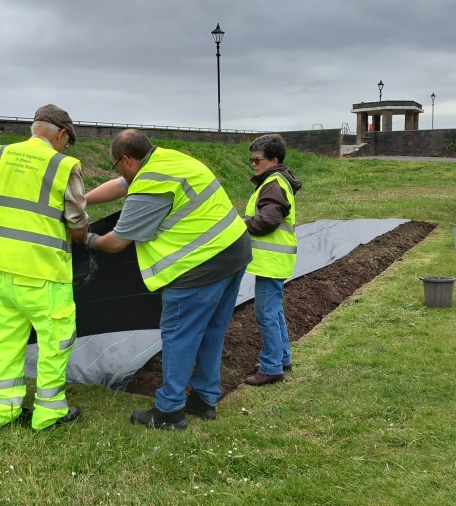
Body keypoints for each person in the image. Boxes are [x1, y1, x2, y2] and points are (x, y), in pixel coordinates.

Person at [84, 129, 251, 431]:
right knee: (211, 331)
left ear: (126, 159)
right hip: (234, 251)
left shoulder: (150, 186)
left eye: (116, 165)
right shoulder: (168, 160)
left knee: (179, 335)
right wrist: (81, 201)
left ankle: (169, 412)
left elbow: (116, 243)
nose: (120, 172)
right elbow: (122, 185)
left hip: (200, 266)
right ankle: (204, 400)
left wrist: (86, 238)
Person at [0, 104, 89, 430]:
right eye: (67, 140)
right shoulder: (64, 165)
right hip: (44, 275)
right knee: (55, 345)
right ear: (61, 134)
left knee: (5, 347)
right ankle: (49, 414)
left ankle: (4, 413)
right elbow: (77, 223)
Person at [243, 134, 302, 387]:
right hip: (274, 261)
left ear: (274, 160)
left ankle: (271, 367)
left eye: (258, 160)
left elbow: (267, 220)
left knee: (266, 313)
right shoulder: (276, 181)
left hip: (271, 261)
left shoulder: (274, 183)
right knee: (274, 311)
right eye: (252, 160)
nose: (254, 165)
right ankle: (281, 357)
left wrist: (240, 226)